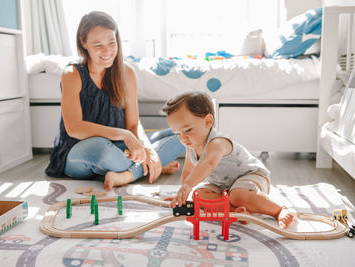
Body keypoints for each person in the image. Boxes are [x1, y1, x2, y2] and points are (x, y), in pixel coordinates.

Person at [45, 11, 185, 190]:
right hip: (80, 152)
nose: (107, 51)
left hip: (119, 148)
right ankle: (147, 167)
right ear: (83, 42)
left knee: (183, 134)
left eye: (111, 42)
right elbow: (74, 128)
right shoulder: (72, 74)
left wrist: (147, 148)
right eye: (98, 45)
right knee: (101, 148)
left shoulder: (127, 73)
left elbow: (133, 124)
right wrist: (126, 136)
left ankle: (127, 174)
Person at [162, 92, 296, 229]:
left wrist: (188, 185)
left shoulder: (218, 143)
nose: (183, 138)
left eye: (188, 130)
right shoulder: (191, 146)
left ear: (208, 121)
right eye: (177, 133)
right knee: (197, 195)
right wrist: (182, 193)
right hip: (223, 185)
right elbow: (189, 170)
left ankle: (279, 210)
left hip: (251, 177)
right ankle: (237, 210)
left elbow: (208, 164)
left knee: (238, 195)